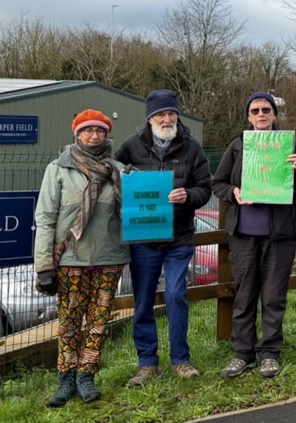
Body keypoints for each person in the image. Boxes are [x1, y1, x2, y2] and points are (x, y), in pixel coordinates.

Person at [212, 91, 296, 378]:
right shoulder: (238, 146)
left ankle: (269, 352)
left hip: (280, 235)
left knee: (273, 296)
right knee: (244, 295)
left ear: (274, 115)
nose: (261, 115)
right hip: (244, 234)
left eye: (266, 110)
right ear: (248, 116)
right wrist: (234, 192)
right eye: (255, 110)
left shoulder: (289, 144)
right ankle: (243, 354)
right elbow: (217, 183)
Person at [114, 89, 212, 386]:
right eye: (160, 114)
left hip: (179, 238)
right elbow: (115, 182)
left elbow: (205, 188)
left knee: (175, 296)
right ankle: (147, 363)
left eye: (171, 114)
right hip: (143, 239)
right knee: (142, 301)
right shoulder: (130, 147)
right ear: (149, 118)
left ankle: (181, 359)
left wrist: (188, 195)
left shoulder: (192, 148)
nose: (166, 119)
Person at [34, 109, 128, 408]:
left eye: (100, 131)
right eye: (87, 130)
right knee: (70, 323)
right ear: (76, 134)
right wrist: (44, 266)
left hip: (109, 257)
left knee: (99, 323)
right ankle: (65, 379)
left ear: (107, 135)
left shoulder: (119, 171)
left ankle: (87, 375)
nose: (94, 135)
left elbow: (134, 212)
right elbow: (46, 218)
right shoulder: (59, 169)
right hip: (70, 259)